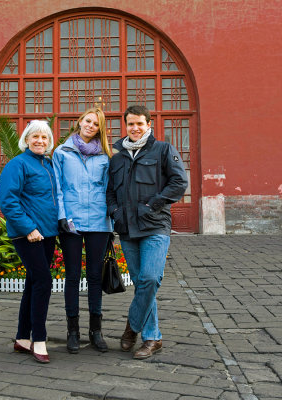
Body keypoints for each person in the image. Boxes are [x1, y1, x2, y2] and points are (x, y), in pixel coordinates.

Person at [106, 105, 188, 359]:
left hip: (155, 226)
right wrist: (115, 212)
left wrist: (154, 204)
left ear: (149, 124)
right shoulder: (117, 157)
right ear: (126, 126)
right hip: (127, 229)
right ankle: (152, 338)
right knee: (142, 283)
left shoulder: (162, 150)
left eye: (139, 123)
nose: (134, 128)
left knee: (151, 278)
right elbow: (109, 191)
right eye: (130, 124)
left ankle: (132, 326)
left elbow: (179, 182)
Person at [52, 107, 112, 354]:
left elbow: (110, 190)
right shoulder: (61, 152)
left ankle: (96, 331)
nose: (90, 126)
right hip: (72, 222)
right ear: (79, 122)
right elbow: (57, 187)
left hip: (99, 222)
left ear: (100, 129)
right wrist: (62, 216)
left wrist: (112, 221)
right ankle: (73, 331)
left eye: (96, 124)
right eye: (88, 121)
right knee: (73, 276)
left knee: (96, 276)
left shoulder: (106, 156)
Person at [0, 120, 58, 364]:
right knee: (43, 281)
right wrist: (29, 228)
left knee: (33, 283)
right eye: (35, 136)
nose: (40, 141)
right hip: (28, 234)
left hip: (48, 232)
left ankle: (22, 339)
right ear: (26, 139)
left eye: (44, 138)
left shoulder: (49, 164)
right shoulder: (18, 164)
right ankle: (39, 339)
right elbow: (8, 201)